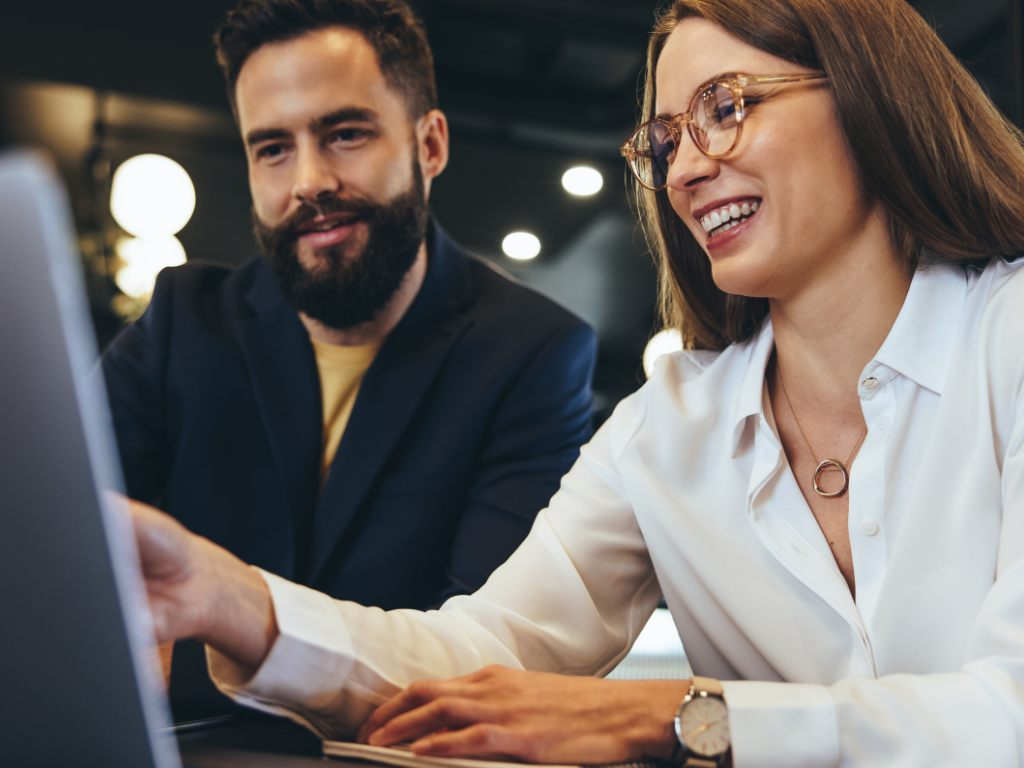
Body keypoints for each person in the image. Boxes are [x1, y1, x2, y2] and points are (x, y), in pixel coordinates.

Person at [124, 0, 1024, 764]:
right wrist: (231, 601)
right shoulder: (664, 427)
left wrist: (685, 717)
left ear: (869, 93)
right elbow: (481, 654)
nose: (688, 166)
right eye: (665, 139)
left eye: (727, 106)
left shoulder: (1008, 337)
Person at [101, 0, 596, 712]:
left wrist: (173, 663)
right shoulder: (182, 321)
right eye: (272, 148)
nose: (308, 180)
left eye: (345, 134)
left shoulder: (533, 353)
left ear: (430, 146)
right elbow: (65, 557)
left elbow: (479, 670)